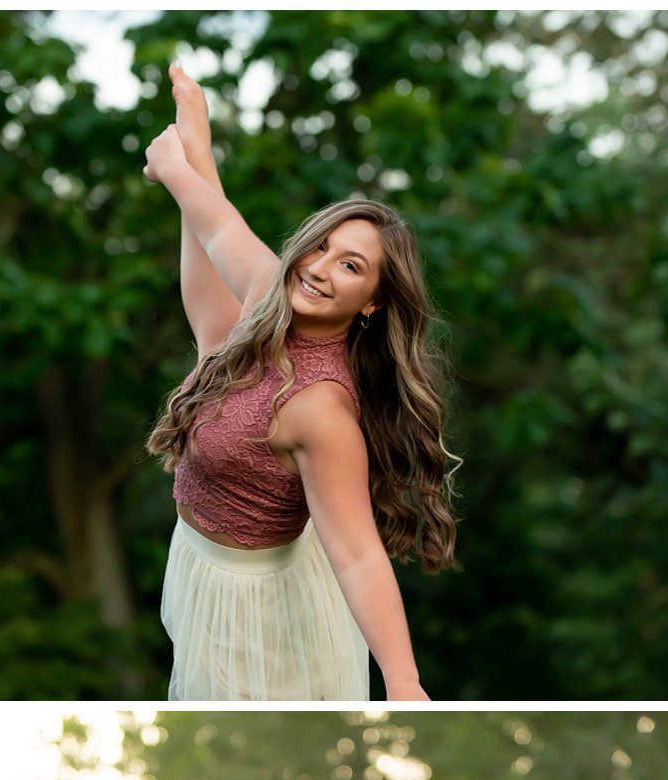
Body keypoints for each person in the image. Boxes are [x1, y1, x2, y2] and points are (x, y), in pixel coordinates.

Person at [142, 65, 456, 703]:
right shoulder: (270, 296)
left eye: (351, 266)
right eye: (320, 248)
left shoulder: (318, 408)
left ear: (371, 302)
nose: (319, 269)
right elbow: (218, 230)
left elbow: (359, 555)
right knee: (216, 339)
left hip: (251, 607)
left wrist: (404, 682)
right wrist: (195, 155)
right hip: (200, 560)